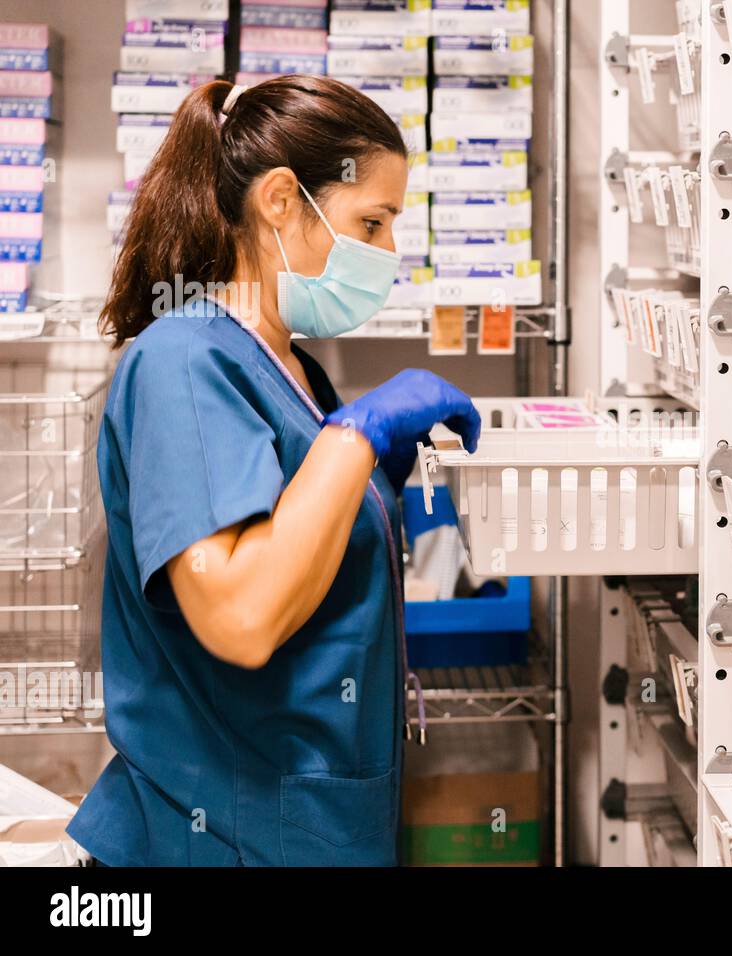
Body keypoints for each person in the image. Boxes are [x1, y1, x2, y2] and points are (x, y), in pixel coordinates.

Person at [66, 76, 481, 866]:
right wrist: (354, 439)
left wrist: (370, 484)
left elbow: (300, 553)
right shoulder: (184, 362)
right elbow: (242, 615)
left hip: (302, 826)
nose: (389, 252)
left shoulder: (292, 370)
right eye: (372, 221)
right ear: (282, 201)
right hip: (218, 834)